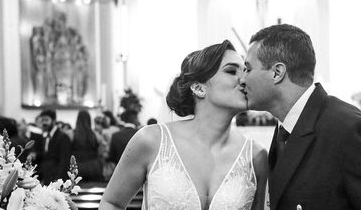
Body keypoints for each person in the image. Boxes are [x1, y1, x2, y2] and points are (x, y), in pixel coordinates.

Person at [240, 24, 361, 210]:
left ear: (277, 72)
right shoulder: (286, 127)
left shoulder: (350, 130)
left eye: (248, 69)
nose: (242, 79)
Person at [100, 40, 268, 210]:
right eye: (231, 71)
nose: (244, 79)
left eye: (246, 70)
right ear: (198, 87)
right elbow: (112, 203)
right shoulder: (151, 141)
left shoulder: (256, 156)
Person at [36, 108, 72, 184]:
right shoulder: (45, 136)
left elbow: (64, 162)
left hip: (57, 180)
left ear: (54, 120)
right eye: (42, 120)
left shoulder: (63, 137)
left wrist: (58, 181)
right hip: (46, 179)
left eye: (46, 120)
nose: (44, 123)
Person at [72, 110, 103, 182]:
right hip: (94, 167)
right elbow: (100, 153)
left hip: (77, 166)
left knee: (76, 190)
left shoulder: (71, 134)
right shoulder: (96, 135)